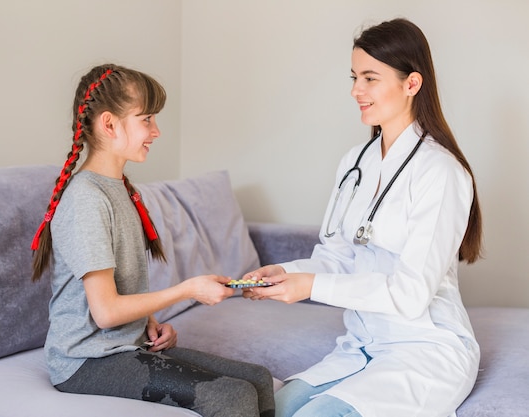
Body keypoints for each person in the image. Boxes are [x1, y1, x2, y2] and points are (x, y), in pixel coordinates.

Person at [242, 18, 482, 417]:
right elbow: (335, 256)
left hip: (424, 351)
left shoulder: (441, 173)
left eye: (370, 78)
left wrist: (311, 286)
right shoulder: (354, 162)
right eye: (355, 77)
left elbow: (410, 295)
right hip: (361, 347)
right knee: (271, 411)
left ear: (412, 84)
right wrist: (284, 274)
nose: (356, 90)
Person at [30, 63, 275, 417]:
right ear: (110, 124)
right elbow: (106, 312)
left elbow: (120, 295)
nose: (156, 131)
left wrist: (150, 323)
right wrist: (188, 290)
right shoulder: (86, 198)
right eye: (146, 119)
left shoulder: (120, 190)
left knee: (257, 379)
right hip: (85, 361)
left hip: (126, 347)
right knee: (232, 397)